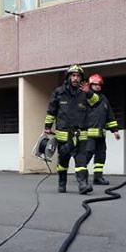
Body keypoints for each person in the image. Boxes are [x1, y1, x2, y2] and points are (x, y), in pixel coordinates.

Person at [44, 64, 100, 194]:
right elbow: (51, 111)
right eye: (73, 75)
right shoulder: (59, 92)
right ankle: (62, 183)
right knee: (63, 162)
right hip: (64, 135)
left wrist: (89, 92)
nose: (76, 78)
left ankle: (83, 185)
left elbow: (96, 102)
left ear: (81, 78)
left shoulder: (85, 92)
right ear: (68, 77)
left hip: (81, 134)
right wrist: (47, 127)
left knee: (81, 162)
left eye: (78, 76)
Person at [85, 73, 120, 185]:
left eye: (99, 85)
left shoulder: (104, 99)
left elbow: (110, 115)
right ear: (90, 85)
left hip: (101, 133)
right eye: (95, 84)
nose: (98, 86)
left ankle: (98, 177)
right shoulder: (86, 97)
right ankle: (81, 174)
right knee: (87, 153)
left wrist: (115, 131)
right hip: (88, 133)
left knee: (101, 155)